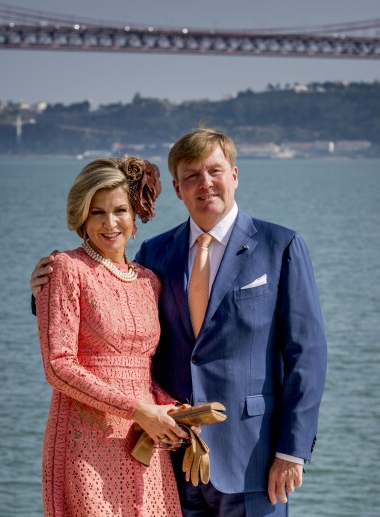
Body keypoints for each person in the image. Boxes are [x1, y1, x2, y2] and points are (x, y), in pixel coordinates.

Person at [32, 129, 328, 517]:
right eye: (192, 176)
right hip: (166, 459)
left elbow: (308, 355)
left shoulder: (281, 246)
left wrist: (292, 451)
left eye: (215, 171)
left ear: (235, 175)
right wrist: (42, 289)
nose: (205, 184)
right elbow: (106, 298)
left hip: (253, 458)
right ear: (176, 187)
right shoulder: (155, 254)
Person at [34, 155, 189, 516]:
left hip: (143, 443)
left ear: (135, 216)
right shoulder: (65, 269)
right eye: (97, 212)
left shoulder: (149, 282)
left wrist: (172, 410)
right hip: (85, 443)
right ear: (82, 219)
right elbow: (58, 366)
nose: (110, 223)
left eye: (119, 210)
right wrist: (140, 411)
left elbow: (142, 374)